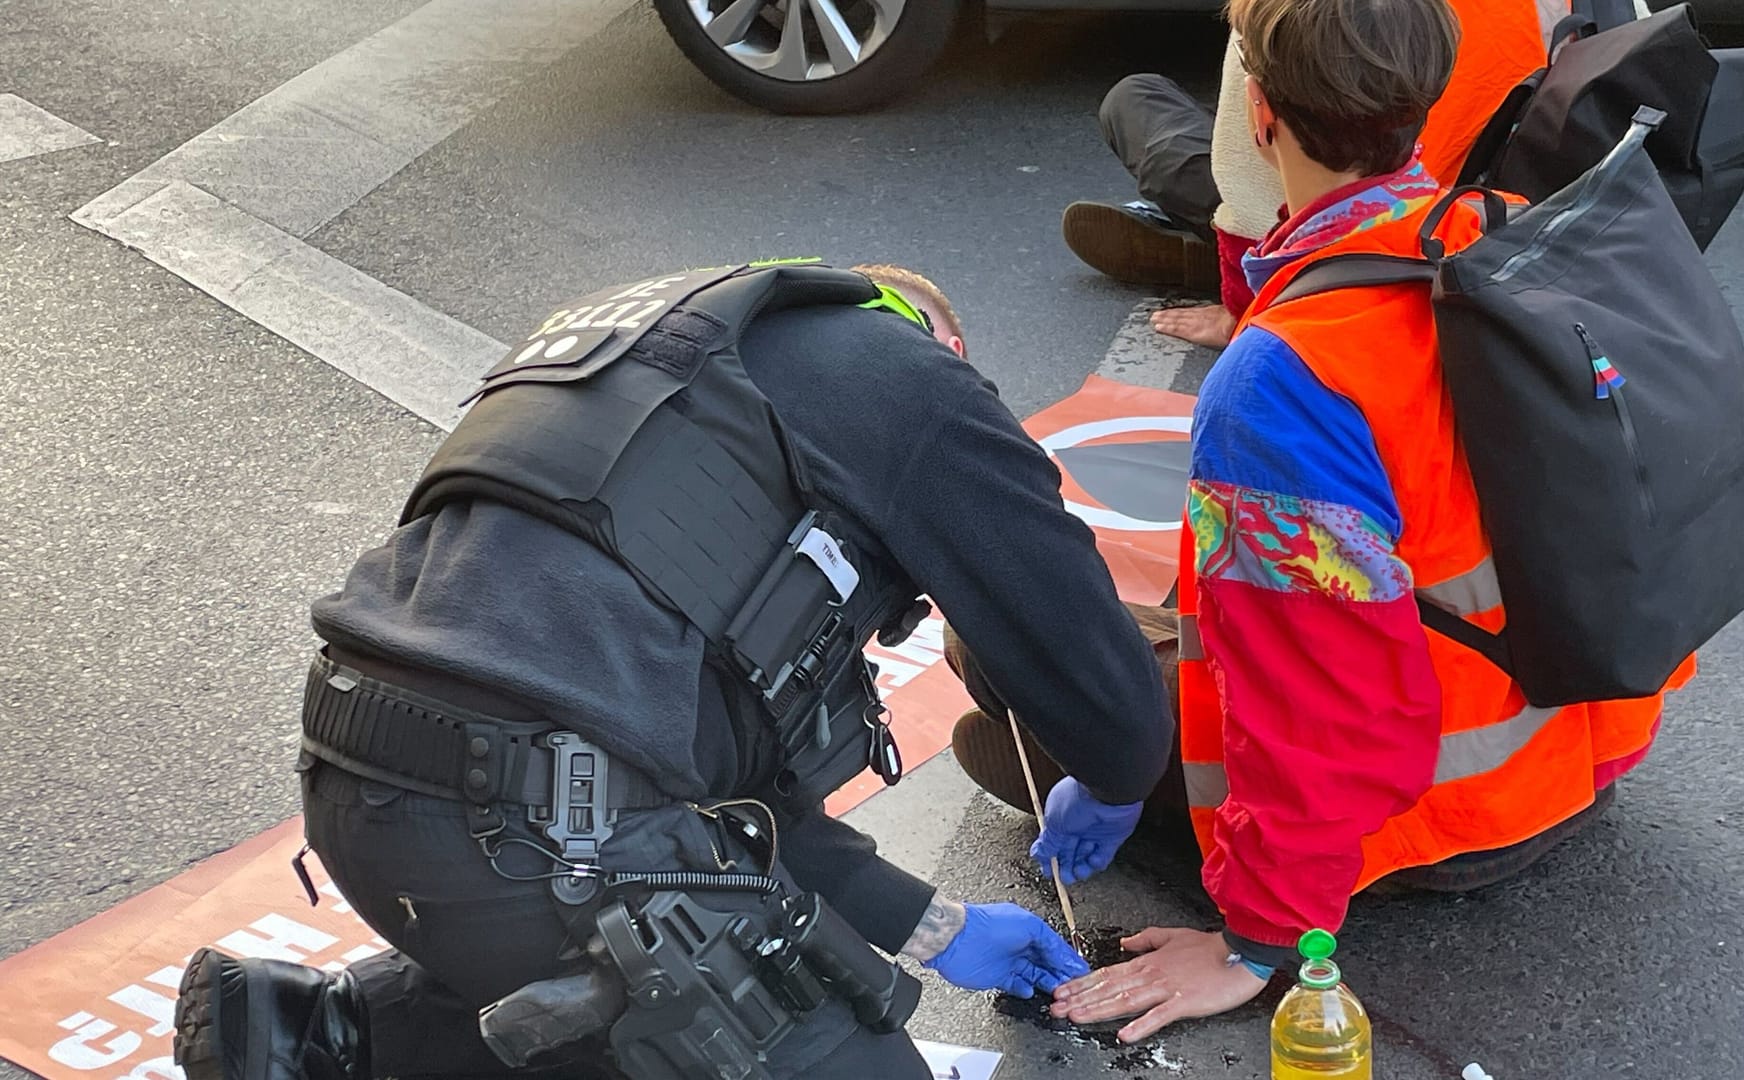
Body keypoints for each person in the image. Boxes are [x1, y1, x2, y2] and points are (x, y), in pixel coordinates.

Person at [170, 262, 1176, 1080]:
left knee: (582, 954)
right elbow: (1098, 671)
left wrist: (937, 927)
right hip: (547, 822)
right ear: (944, 347)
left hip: (364, 784)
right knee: (757, 1013)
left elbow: (729, 808)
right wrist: (1120, 775)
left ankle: (330, 1035)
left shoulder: (667, 367)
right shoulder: (916, 381)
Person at [956, 0, 1691, 1043]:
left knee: (992, 671)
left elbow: (1323, 700)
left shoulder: (1288, 373)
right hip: (1580, 746)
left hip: (1436, 820)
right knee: (1063, 666)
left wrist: (1260, 939)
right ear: (1429, 98)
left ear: (1258, 113)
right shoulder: (1510, 236)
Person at [1063, 0, 1560, 348]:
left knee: (1136, 99)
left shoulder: (1276, 363)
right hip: (1468, 203)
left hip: (1326, 216)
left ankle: (1246, 266)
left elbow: (1248, 186)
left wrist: (1242, 316)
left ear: (1260, 111)